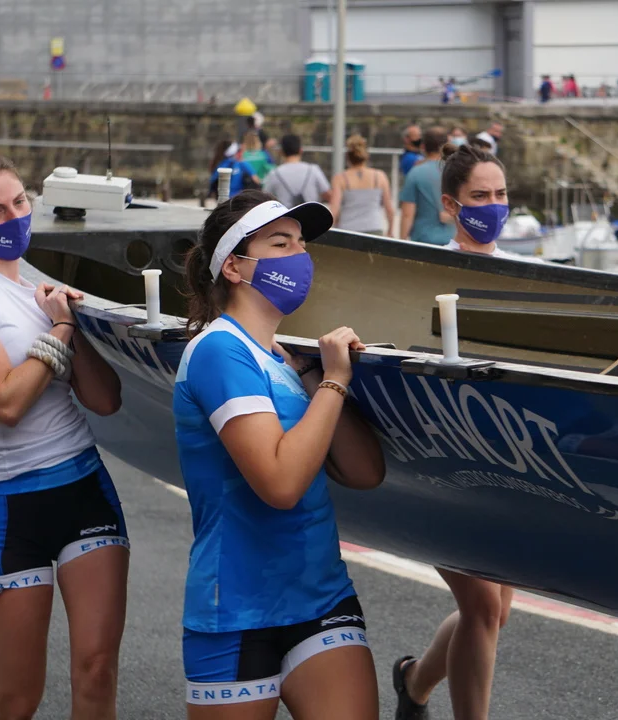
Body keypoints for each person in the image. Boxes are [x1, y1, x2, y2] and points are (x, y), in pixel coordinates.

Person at [0, 153, 126, 720]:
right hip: (12, 506)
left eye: (19, 202)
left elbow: (105, 400)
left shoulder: (42, 291)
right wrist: (58, 330)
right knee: (15, 702)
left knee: (97, 672)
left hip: (83, 489)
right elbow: (6, 402)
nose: (14, 217)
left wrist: (71, 324)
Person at [176, 190, 385, 718]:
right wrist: (335, 382)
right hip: (236, 612)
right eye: (280, 243)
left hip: (322, 598)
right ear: (234, 268)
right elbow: (281, 484)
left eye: (301, 244)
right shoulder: (219, 350)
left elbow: (364, 472)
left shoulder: (286, 362)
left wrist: (316, 376)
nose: (299, 255)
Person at [393, 143, 531, 720]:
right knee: (480, 607)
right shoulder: (428, 275)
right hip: (444, 460)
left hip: (510, 459)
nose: (493, 205)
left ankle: (414, 683)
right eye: (480, 196)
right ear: (450, 206)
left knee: (496, 612)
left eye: (500, 194)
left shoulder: (528, 275)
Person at [399, 126, 454, 247]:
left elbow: (407, 214)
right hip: (453, 240)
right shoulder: (455, 171)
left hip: (423, 241)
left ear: (423, 146)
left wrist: (402, 242)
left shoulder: (415, 173)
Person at [331, 135, 394, 236]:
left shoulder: (340, 178)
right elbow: (389, 209)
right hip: (374, 227)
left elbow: (334, 210)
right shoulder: (379, 176)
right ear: (366, 155)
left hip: (348, 229)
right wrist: (390, 230)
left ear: (348, 156)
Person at [263, 133, 331, 208]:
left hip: (286, 214)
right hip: (311, 213)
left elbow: (264, 198)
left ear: (281, 152)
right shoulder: (313, 170)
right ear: (300, 150)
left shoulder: (274, 174)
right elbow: (328, 194)